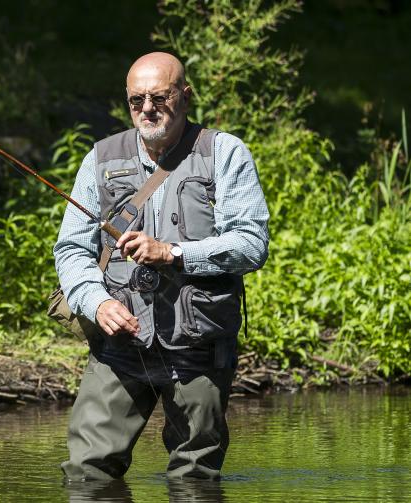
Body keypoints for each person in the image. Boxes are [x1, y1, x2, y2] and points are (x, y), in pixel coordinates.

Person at [54, 52, 269, 480]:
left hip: (199, 344)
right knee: (87, 474)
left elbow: (251, 244)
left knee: (195, 476)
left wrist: (173, 253)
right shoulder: (99, 158)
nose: (148, 109)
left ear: (185, 96)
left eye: (160, 97)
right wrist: (96, 303)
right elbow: (71, 250)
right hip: (121, 346)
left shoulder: (223, 153)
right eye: (137, 100)